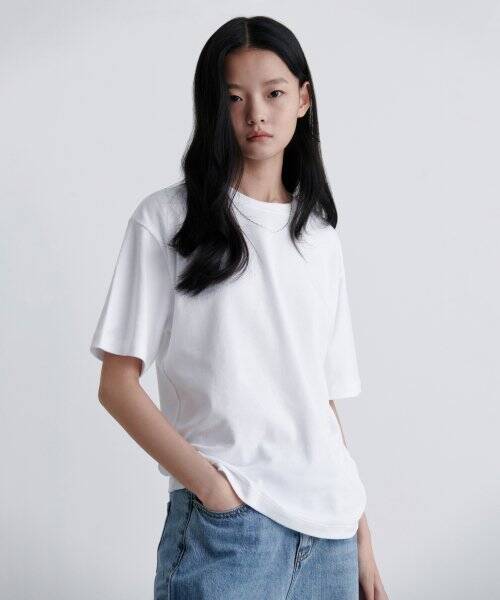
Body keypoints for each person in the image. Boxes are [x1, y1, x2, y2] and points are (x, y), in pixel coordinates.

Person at [89, 15, 389, 600]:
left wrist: (361, 532)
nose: (256, 114)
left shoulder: (320, 236)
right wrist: (212, 490)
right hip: (230, 533)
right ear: (213, 107)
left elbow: (318, 401)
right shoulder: (168, 221)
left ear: (303, 100)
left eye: (274, 93)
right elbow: (116, 385)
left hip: (331, 537)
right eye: (235, 97)